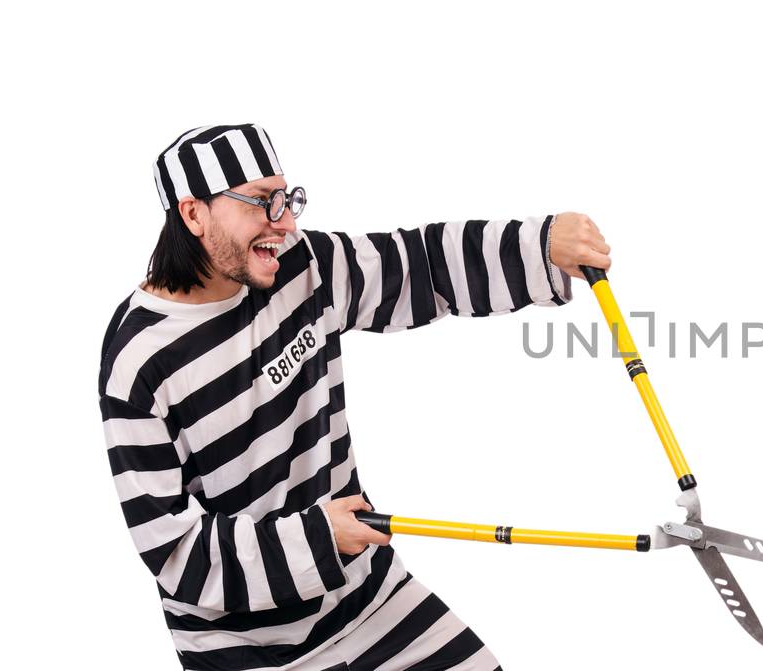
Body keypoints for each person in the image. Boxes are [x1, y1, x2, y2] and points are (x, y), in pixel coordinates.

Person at [99, 124, 611, 670]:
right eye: (260, 202)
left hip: (366, 597)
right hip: (247, 650)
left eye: (287, 199)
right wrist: (320, 537)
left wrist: (540, 245)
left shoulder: (300, 266)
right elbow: (177, 555)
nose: (286, 222)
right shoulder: (137, 363)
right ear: (194, 213)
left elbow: (420, 264)